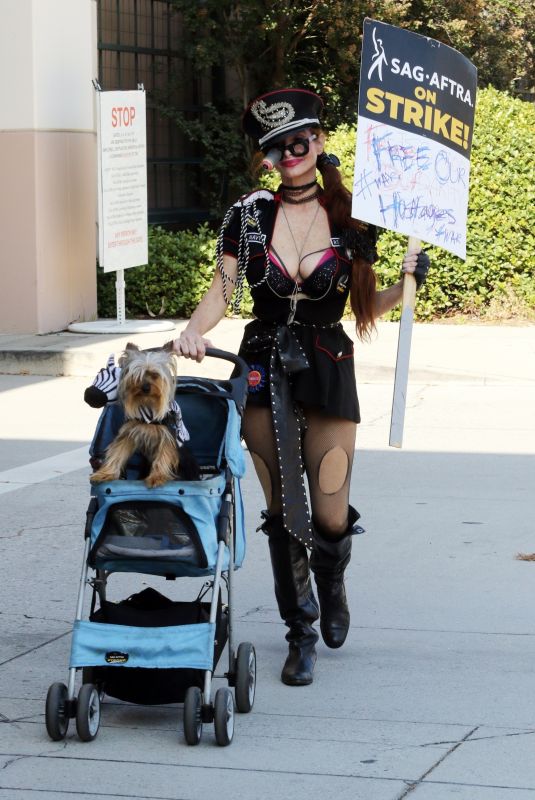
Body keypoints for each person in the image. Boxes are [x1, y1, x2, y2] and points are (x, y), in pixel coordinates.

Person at [172, 88, 429, 686]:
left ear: (318, 142)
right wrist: (191, 330)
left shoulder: (352, 216)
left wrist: (407, 282)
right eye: (277, 148)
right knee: (284, 510)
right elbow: (225, 292)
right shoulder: (246, 215)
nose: (291, 153)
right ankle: (301, 631)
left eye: (301, 141)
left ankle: (332, 580)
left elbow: (369, 304)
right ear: (266, 158)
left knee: (330, 507)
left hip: (328, 363)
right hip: (262, 367)